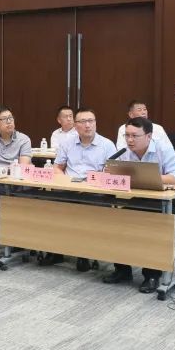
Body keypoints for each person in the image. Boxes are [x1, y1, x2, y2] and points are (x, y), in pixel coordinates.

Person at [104, 117, 175, 293]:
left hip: (164, 202)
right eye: (127, 135)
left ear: (148, 136)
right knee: (116, 222)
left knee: (152, 228)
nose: (130, 140)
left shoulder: (163, 149)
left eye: (135, 136)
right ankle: (122, 270)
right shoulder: (124, 151)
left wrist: (147, 176)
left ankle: (152, 275)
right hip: (138, 199)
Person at [44, 107, 118, 270]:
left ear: (95, 123)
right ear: (75, 125)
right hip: (68, 188)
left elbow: (113, 174)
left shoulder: (107, 145)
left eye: (91, 121)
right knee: (50, 206)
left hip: (95, 191)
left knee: (86, 212)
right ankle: (55, 251)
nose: (87, 125)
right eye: (83, 122)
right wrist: (66, 182)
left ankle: (84, 254)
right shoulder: (67, 143)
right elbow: (57, 167)